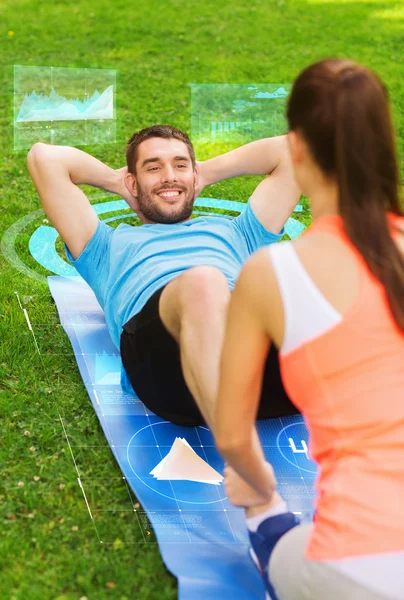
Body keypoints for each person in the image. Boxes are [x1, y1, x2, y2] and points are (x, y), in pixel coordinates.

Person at [215, 58, 404, 600]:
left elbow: (231, 435)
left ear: (295, 148)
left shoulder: (270, 273)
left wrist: (260, 485)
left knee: (264, 512)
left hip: (360, 566)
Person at [27, 125, 301, 432]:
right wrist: (118, 182)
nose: (169, 176)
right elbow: (44, 158)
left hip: (253, 361)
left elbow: (294, 150)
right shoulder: (104, 246)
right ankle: (237, 445)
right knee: (203, 283)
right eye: (153, 168)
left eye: (180, 165)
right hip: (166, 366)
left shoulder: (238, 232)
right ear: (133, 181)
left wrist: (202, 173)